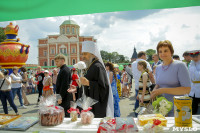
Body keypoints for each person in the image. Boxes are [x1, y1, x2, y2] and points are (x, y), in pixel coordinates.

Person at [68, 41, 114, 118]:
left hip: (95, 108)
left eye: (85, 54)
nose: (83, 56)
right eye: (82, 54)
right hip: (88, 106)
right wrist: (78, 88)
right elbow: (87, 85)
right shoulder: (91, 66)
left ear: (93, 54)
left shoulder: (97, 67)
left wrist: (89, 83)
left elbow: (104, 88)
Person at [150, 40, 191, 116]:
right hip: (162, 108)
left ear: (171, 52)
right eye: (160, 51)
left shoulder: (180, 65)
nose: (163, 54)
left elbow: (187, 89)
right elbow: (158, 84)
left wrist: (162, 90)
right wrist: (154, 91)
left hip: (179, 108)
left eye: (165, 51)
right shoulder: (158, 68)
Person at [131, 51, 154, 116]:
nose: (137, 66)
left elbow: (144, 87)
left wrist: (141, 96)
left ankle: (138, 116)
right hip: (141, 91)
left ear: (141, 66)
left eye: (138, 66)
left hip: (141, 90)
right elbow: (151, 75)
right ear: (143, 55)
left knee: (143, 108)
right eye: (145, 55)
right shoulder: (144, 69)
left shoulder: (133, 64)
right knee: (142, 107)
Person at [188, 50, 200, 114]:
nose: (195, 58)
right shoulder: (191, 64)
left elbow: (197, 76)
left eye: (196, 56)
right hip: (193, 89)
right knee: (193, 108)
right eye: (193, 57)